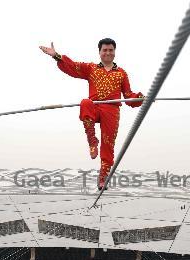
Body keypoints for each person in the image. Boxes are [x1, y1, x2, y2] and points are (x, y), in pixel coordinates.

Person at [39, 38, 144, 190]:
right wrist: (56, 55)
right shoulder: (92, 68)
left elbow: (128, 95)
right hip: (95, 107)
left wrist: (140, 98)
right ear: (100, 52)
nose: (108, 52)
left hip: (112, 110)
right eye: (105, 50)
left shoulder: (121, 73)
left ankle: (103, 177)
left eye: (110, 50)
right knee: (85, 102)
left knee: (108, 144)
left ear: (114, 52)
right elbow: (73, 67)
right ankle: (92, 140)